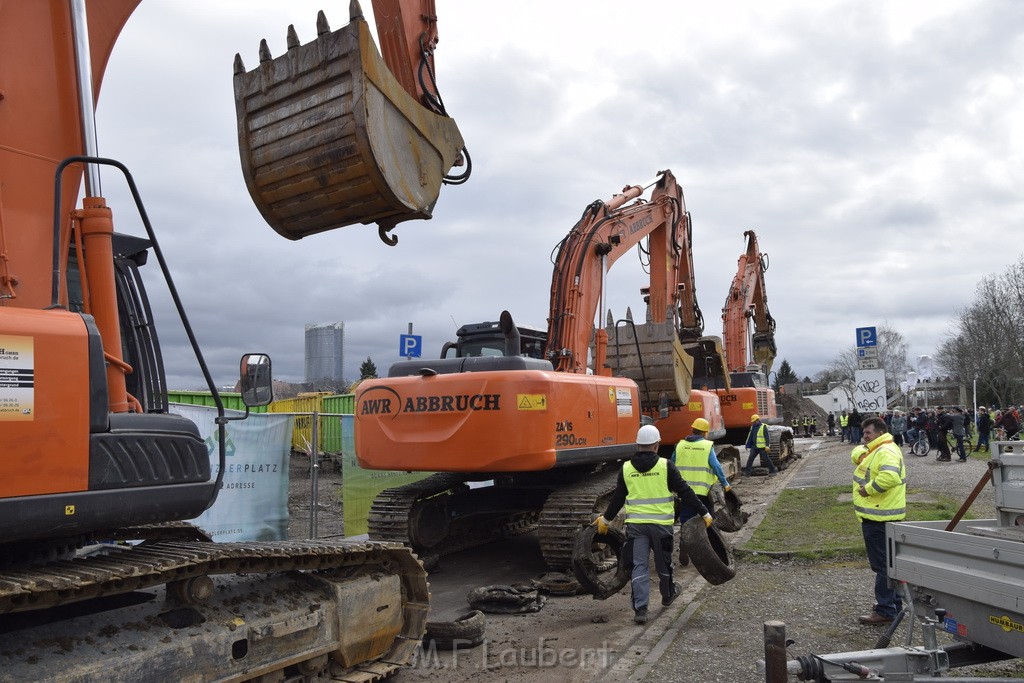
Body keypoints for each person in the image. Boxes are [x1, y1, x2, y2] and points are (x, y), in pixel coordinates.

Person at [594, 424, 712, 625]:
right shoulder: (666, 466)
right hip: (661, 526)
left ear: (637, 445)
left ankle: (641, 610)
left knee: (639, 566)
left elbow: (618, 499)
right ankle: (667, 595)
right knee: (663, 563)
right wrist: (705, 512)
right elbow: (685, 492)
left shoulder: (626, 468)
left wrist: (605, 520)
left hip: (636, 527)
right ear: (657, 445)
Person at [852, 416, 906, 625]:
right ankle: (894, 606)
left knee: (883, 566)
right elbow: (858, 455)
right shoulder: (878, 449)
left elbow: (890, 477)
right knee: (890, 564)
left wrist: (868, 489)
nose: (864, 436)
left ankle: (885, 611)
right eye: (864, 433)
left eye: (868, 433)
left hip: (879, 517)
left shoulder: (885, 451)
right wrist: (863, 449)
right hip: (882, 515)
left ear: (880, 433)